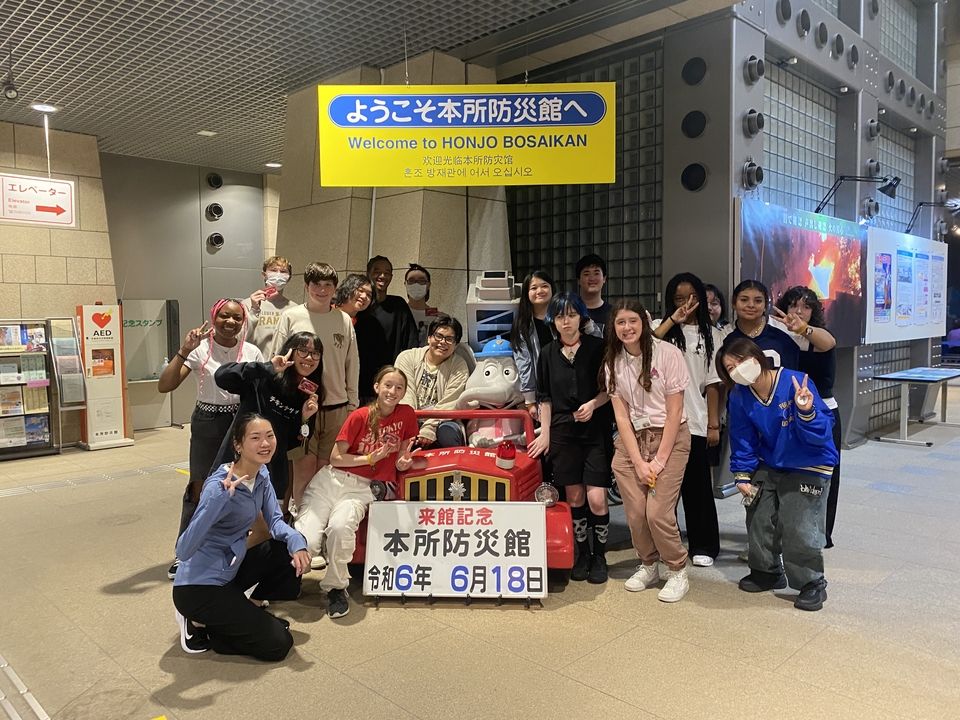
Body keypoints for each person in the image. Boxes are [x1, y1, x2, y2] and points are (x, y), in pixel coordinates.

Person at [172, 413, 311, 660]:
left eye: (269, 436)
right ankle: (200, 623)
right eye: (255, 438)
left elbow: (276, 523)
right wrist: (217, 501)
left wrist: (298, 543)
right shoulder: (219, 487)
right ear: (237, 445)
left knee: (284, 551)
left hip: (229, 573)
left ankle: (247, 609)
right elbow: (183, 551)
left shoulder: (262, 474)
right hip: (199, 587)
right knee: (279, 644)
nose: (265, 444)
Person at [717, 337, 837, 611]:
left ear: (758, 357)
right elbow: (742, 437)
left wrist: (806, 411)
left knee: (798, 524)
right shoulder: (739, 395)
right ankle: (768, 571)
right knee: (758, 517)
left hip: (809, 463)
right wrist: (742, 475)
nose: (739, 368)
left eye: (742, 360)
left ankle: (811, 582)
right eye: (730, 366)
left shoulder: (796, 382)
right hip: (771, 462)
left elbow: (821, 435)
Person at [295, 366, 419, 618]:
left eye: (399, 388)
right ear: (376, 387)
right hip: (332, 480)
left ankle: (336, 588)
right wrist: (370, 457)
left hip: (362, 489)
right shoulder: (360, 415)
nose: (392, 392)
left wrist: (402, 462)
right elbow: (336, 458)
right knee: (306, 539)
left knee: (341, 528)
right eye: (388, 385)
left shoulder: (406, 414)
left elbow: (403, 454)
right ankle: (287, 578)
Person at [158, 298, 263, 579]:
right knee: (199, 486)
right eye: (224, 317)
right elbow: (165, 385)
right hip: (207, 421)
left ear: (244, 322)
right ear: (213, 318)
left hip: (240, 422)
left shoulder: (251, 351)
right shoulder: (200, 349)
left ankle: (230, 546)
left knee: (239, 486)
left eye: (236, 318)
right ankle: (185, 551)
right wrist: (183, 350)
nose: (230, 322)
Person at [603, 298, 692, 602]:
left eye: (632, 321)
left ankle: (677, 569)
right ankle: (648, 563)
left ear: (645, 322)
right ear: (613, 328)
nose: (627, 328)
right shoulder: (612, 361)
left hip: (669, 437)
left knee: (657, 512)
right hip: (632, 442)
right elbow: (621, 417)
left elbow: (674, 411)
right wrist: (639, 462)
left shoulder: (668, 354)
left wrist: (658, 461)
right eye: (620, 322)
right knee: (636, 514)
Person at [527, 292, 612, 583]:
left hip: (595, 431)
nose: (566, 321)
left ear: (581, 318)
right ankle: (581, 553)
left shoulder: (599, 347)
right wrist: (546, 434)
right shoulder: (547, 353)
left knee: (597, 497)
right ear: (554, 320)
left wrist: (593, 404)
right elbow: (545, 398)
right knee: (574, 496)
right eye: (561, 316)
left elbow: (610, 389)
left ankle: (600, 555)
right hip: (563, 432)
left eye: (572, 315)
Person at [272, 262, 359, 509]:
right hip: (301, 408)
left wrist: (352, 405)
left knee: (327, 470)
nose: (321, 290)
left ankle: (318, 523)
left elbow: (352, 364)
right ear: (306, 286)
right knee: (302, 470)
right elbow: (278, 361)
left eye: (327, 285)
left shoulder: (342, 319)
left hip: (337, 407)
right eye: (316, 285)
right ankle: (300, 525)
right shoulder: (291, 316)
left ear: (335, 289)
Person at [652, 273, 722, 567]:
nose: (686, 303)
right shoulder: (660, 328)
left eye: (690, 297)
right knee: (663, 489)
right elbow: (646, 345)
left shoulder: (714, 335)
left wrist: (713, 424)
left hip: (696, 419)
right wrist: (674, 319)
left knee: (697, 486)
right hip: (660, 421)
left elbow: (714, 383)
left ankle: (703, 543)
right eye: (678, 298)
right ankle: (664, 543)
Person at [214, 332, 323, 503]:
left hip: (273, 474)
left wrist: (304, 418)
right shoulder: (264, 377)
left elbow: (292, 442)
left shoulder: (310, 393)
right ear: (290, 351)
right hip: (237, 466)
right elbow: (221, 377)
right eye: (303, 351)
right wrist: (266, 367)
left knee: (265, 527)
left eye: (315, 353)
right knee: (226, 523)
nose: (309, 357)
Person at [775, 286, 841, 549]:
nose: (798, 311)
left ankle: (821, 533)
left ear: (814, 311)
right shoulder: (779, 339)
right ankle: (784, 533)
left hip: (822, 413)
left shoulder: (819, 336)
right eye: (793, 305)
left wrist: (802, 328)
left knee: (824, 474)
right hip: (786, 413)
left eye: (805, 306)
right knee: (787, 473)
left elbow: (829, 343)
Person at [394, 315, 470, 448]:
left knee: (448, 431)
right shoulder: (407, 358)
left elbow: (450, 401)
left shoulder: (459, 365)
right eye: (438, 336)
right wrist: (411, 424)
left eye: (449, 339)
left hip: (442, 420)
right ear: (429, 337)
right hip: (410, 417)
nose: (442, 342)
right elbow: (406, 395)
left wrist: (429, 427)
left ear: (456, 344)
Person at [723, 280, 801, 371]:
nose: (751, 305)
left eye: (758, 301)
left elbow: (790, 377)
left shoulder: (783, 336)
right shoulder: (725, 336)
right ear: (734, 303)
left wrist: (803, 329)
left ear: (765, 306)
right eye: (744, 300)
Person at [511, 270, 558, 421]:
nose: (539, 291)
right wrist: (530, 400)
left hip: (566, 387)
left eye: (544, 286)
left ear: (552, 289)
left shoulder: (563, 316)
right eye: (533, 288)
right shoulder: (522, 324)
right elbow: (523, 362)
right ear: (527, 293)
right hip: (541, 392)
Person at [334, 273, 388, 403]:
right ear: (348, 288)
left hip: (360, 393)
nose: (364, 297)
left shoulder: (371, 324)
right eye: (361, 291)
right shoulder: (328, 314)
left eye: (369, 295)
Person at [361, 255, 419, 361]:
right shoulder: (361, 306)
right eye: (377, 271)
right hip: (359, 372)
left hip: (390, 373)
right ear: (368, 274)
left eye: (387, 273)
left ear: (391, 277)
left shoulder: (398, 305)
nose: (382, 276)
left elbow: (411, 343)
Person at [243, 255, 296, 355]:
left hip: (282, 366)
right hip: (253, 365)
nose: (278, 275)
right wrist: (254, 309)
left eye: (283, 271)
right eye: (273, 270)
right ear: (264, 274)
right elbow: (238, 337)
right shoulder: (247, 304)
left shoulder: (294, 308)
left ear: (289, 278)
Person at [576, 253, 613, 332]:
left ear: (604, 279)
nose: (592, 278)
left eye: (596, 273)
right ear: (578, 280)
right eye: (586, 274)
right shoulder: (570, 312)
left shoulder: (614, 313)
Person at [404, 263, 440, 345]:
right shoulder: (399, 313)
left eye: (421, 281)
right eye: (411, 280)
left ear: (428, 285)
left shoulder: (437, 316)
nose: (416, 284)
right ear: (405, 284)